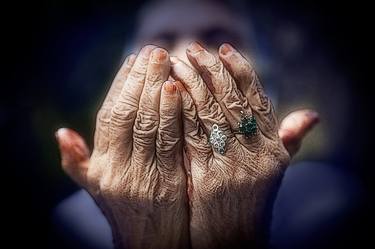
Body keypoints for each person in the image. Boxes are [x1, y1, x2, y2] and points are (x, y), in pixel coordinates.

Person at [54, 1, 361, 248]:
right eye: (162, 40)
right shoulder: (73, 223)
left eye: (217, 37)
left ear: (264, 79)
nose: (190, 50)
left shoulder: (326, 203)